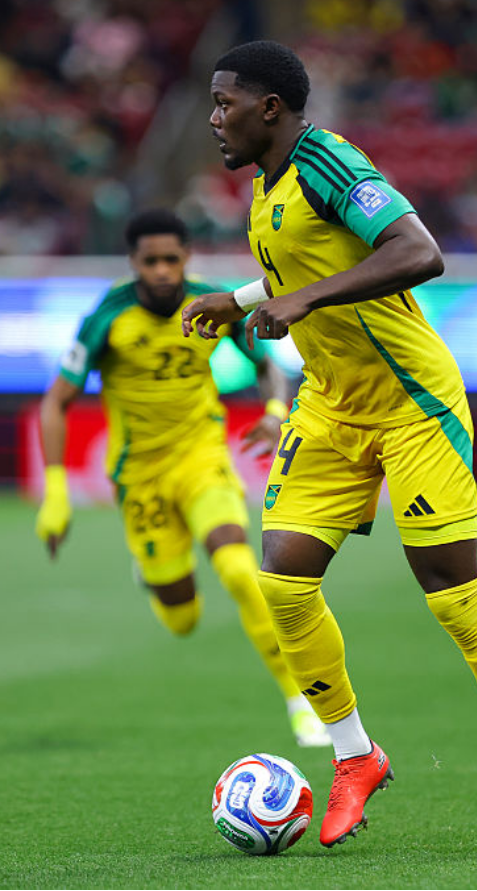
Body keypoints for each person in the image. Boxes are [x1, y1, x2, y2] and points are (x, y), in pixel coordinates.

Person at [181, 40, 477, 855]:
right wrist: (242, 298)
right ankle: (356, 757)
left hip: (412, 402)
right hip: (331, 404)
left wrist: (303, 300)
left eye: (226, 104)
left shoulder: (328, 161)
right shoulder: (268, 186)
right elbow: (315, 256)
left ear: (271, 110)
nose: (214, 117)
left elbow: (417, 252)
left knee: (449, 592)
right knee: (283, 580)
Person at [36, 208, 330, 750]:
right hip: (140, 479)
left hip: (201, 459)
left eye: (172, 259)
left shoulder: (212, 303)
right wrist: (56, 492)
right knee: (182, 620)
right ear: (134, 264)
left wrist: (272, 410)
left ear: (186, 258)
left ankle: (301, 701)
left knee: (242, 571)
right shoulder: (108, 317)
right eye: (152, 261)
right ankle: (154, 577)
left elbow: (270, 363)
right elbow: (56, 402)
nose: (164, 271)